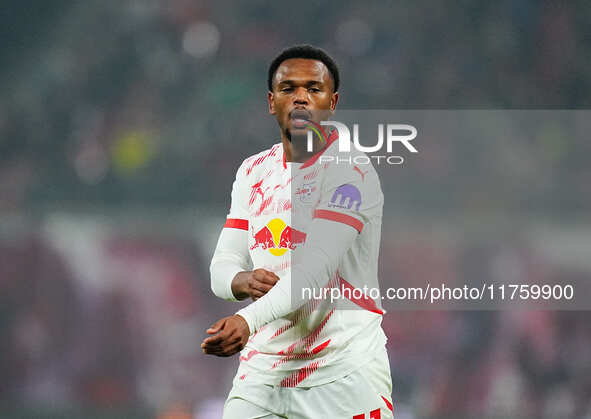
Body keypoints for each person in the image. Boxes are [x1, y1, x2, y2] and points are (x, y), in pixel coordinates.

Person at [202, 45, 393, 419]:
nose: (301, 97)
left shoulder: (350, 172)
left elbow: (312, 272)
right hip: (263, 374)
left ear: (332, 102)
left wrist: (246, 319)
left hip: (343, 372)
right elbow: (222, 264)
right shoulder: (253, 172)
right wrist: (241, 281)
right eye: (288, 88)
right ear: (271, 103)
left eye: (313, 88)